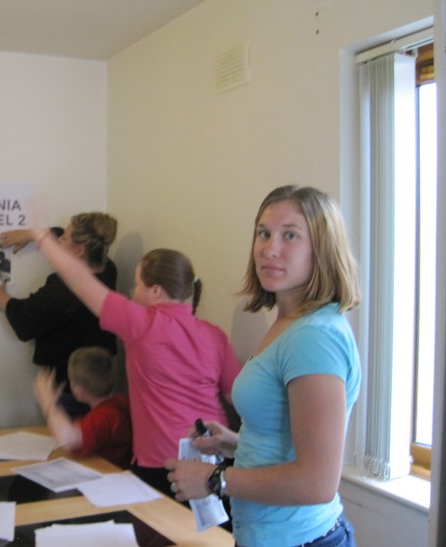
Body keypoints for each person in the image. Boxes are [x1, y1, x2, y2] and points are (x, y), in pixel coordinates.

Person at [165, 185, 360, 547]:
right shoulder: (291, 323)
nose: (270, 249)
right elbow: (289, 443)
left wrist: (214, 479)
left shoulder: (313, 338)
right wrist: (235, 445)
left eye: (290, 235)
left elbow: (316, 482)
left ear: (322, 249)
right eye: (263, 233)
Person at [25, 223, 242, 498]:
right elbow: (240, 398)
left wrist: (42, 238)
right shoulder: (215, 334)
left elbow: (80, 281)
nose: (132, 290)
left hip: (165, 467)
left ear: (156, 291)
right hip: (216, 464)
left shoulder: (142, 324)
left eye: (137, 283)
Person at [0, 213, 119, 418]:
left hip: (72, 388)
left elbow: (25, 319)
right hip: (100, 380)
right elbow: (61, 237)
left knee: (70, 437)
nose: (59, 239)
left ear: (79, 251)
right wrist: (33, 234)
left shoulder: (64, 290)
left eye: (65, 237)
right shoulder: (107, 267)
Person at [33, 346, 132, 469]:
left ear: (78, 391)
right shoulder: (121, 402)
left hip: (106, 474)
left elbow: (67, 438)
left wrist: (48, 403)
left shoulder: (104, 416)